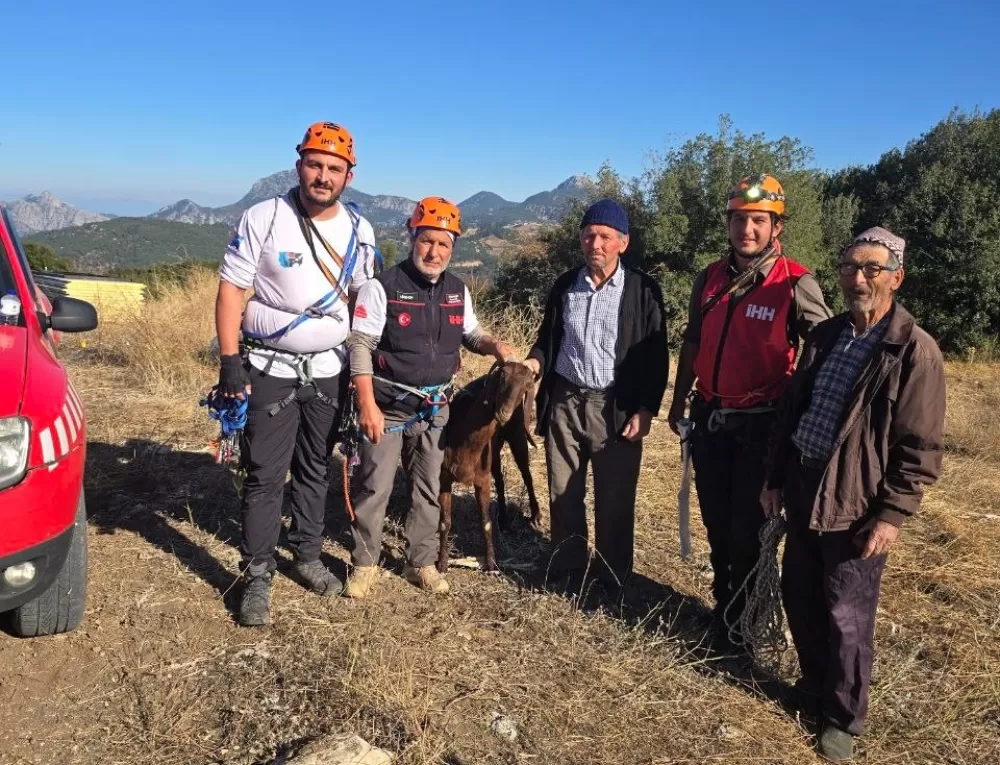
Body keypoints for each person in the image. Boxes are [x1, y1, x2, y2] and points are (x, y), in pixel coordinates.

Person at [761, 227, 945, 761]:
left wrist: (891, 515)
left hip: (856, 502)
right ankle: (815, 685)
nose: (858, 278)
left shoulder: (914, 351)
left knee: (847, 612)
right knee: (801, 594)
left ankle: (844, 717)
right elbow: (792, 414)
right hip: (803, 485)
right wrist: (774, 480)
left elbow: (920, 448)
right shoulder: (828, 334)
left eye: (872, 269)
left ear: (897, 277)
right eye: (850, 267)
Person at [216, 121, 378, 626]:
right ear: (298, 166)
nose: (322, 176)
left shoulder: (359, 230)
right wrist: (228, 362)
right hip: (269, 368)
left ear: (349, 176)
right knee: (265, 475)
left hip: (329, 371)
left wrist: (362, 371)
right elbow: (231, 291)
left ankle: (306, 554)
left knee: (314, 467)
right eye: (315, 164)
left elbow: (361, 303)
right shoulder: (265, 217)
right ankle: (258, 573)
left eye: (334, 168)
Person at [666, 174, 831, 633]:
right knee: (717, 525)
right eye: (739, 220)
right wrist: (678, 403)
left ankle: (750, 622)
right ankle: (727, 613)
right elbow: (694, 341)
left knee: (750, 532)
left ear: (777, 227)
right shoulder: (711, 277)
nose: (747, 230)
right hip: (709, 420)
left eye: (759, 221)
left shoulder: (795, 283)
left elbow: (824, 351)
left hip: (763, 428)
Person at [344, 197, 516, 597]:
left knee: (427, 487)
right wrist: (367, 404)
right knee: (375, 485)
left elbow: (470, 334)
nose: (434, 252)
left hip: (435, 407)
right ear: (413, 236)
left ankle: (419, 561)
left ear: (453, 248)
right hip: (387, 406)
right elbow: (360, 345)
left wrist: (495, 346)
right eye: (427, 241)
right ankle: (366, 564)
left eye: (444, 244)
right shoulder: (381, 287)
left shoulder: (457, 290)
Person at [523, 199, 668, 593]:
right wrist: (534, 365)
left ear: (623, 242)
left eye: (605, 236)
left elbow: (656, 357)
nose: (595, 243)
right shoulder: (566, 285)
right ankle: (567, 567)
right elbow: (549, 339)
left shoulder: (642, 290)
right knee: (563, 491)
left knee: (616, 497)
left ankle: (611, 576)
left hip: (615, 407)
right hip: (566, 401)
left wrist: (645, 409)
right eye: (589, 235)